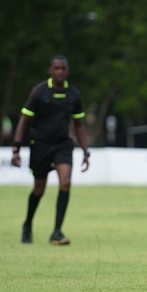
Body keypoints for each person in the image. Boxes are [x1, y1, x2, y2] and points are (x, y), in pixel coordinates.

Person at [11, 55, 90, 245]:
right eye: (57, 68)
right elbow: (25, 119)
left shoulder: (73, 94)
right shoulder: (39, 92)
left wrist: (86, 152)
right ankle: (28, 224)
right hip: (40, 144)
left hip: (63, 144)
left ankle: (56, 232)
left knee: (65, 182)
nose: (60, 72)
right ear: (50, 70)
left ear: (67, 71)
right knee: (39, 189)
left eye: (63, 68)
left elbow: (79, 124)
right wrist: (16, 147)